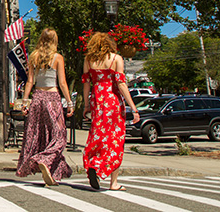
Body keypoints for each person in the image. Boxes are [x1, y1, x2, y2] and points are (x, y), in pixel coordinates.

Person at [82, 32, 140, 191]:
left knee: (98, 136)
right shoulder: (116, 59)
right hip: (112, 102)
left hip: (97, 100)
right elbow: (121, 84)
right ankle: (113, 182)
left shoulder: (88, 60)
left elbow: (86, 83)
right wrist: (133, 108)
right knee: (115, 140)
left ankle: (94, 163)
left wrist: (86, 105)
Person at [16, 28, 74, 186]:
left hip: (37, 98)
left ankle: (50, 173)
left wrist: (25, 101)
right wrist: (69, 103)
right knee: (59, 136)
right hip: (52, 98)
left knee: (40, 135)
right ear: (55, 40)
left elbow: (29, 81)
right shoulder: (58, 58)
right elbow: (62, 83)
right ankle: (44, 158)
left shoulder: (34, 57)